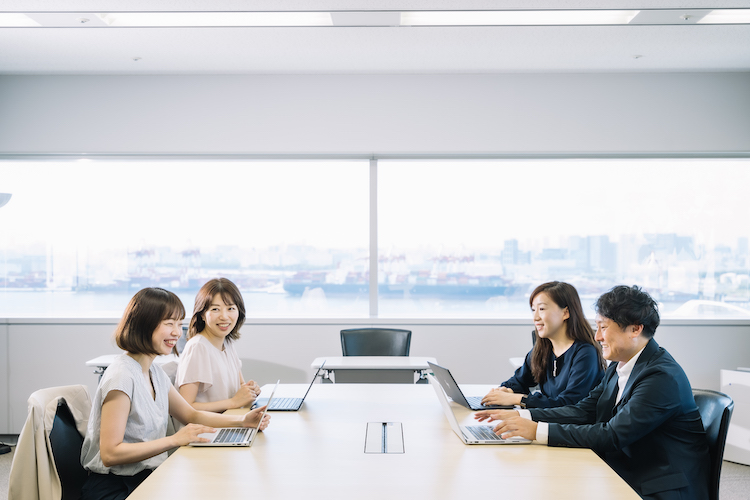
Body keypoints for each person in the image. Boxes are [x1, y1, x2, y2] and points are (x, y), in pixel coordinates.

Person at [475, 285, 710, 500]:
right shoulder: (620, 366)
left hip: (658, 487)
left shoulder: (661, 377)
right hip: (628, 469)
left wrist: (537, 430)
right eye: (597, 327)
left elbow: (612, 435)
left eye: (604, 327)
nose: (597, 336)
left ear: (635, 329)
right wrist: (524, 417)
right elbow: (584, 410)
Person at [80, 287, 270, 500]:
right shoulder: (121, 376)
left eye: (179, 324)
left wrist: (243, 421)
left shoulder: (153, 371)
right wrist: (174, 440)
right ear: (144, 325)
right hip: (116, 488)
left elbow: (190, 415)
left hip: (147, 477)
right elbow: (110, 453)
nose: (177, 333)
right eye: (169, 324)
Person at [482, 281, 605, 408]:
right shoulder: (543, 349)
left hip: (572, 426)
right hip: (548, 422)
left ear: (565, 313)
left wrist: (518, 399)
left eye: (541, 309)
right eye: (533, 310)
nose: (535, 317)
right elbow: (519, 380)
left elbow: (568, 404)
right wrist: (506, 391)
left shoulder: (586, 354)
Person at [176, 278, 261, 413]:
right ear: (202, 314)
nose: (224, 316)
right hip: (206, 429)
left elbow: (240, 386)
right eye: (215, 309)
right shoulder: (198, 347)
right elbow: (185, 407)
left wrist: (249, 390)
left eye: (231, 308)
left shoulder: (227, 342)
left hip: (229, 421)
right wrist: (233, 402)